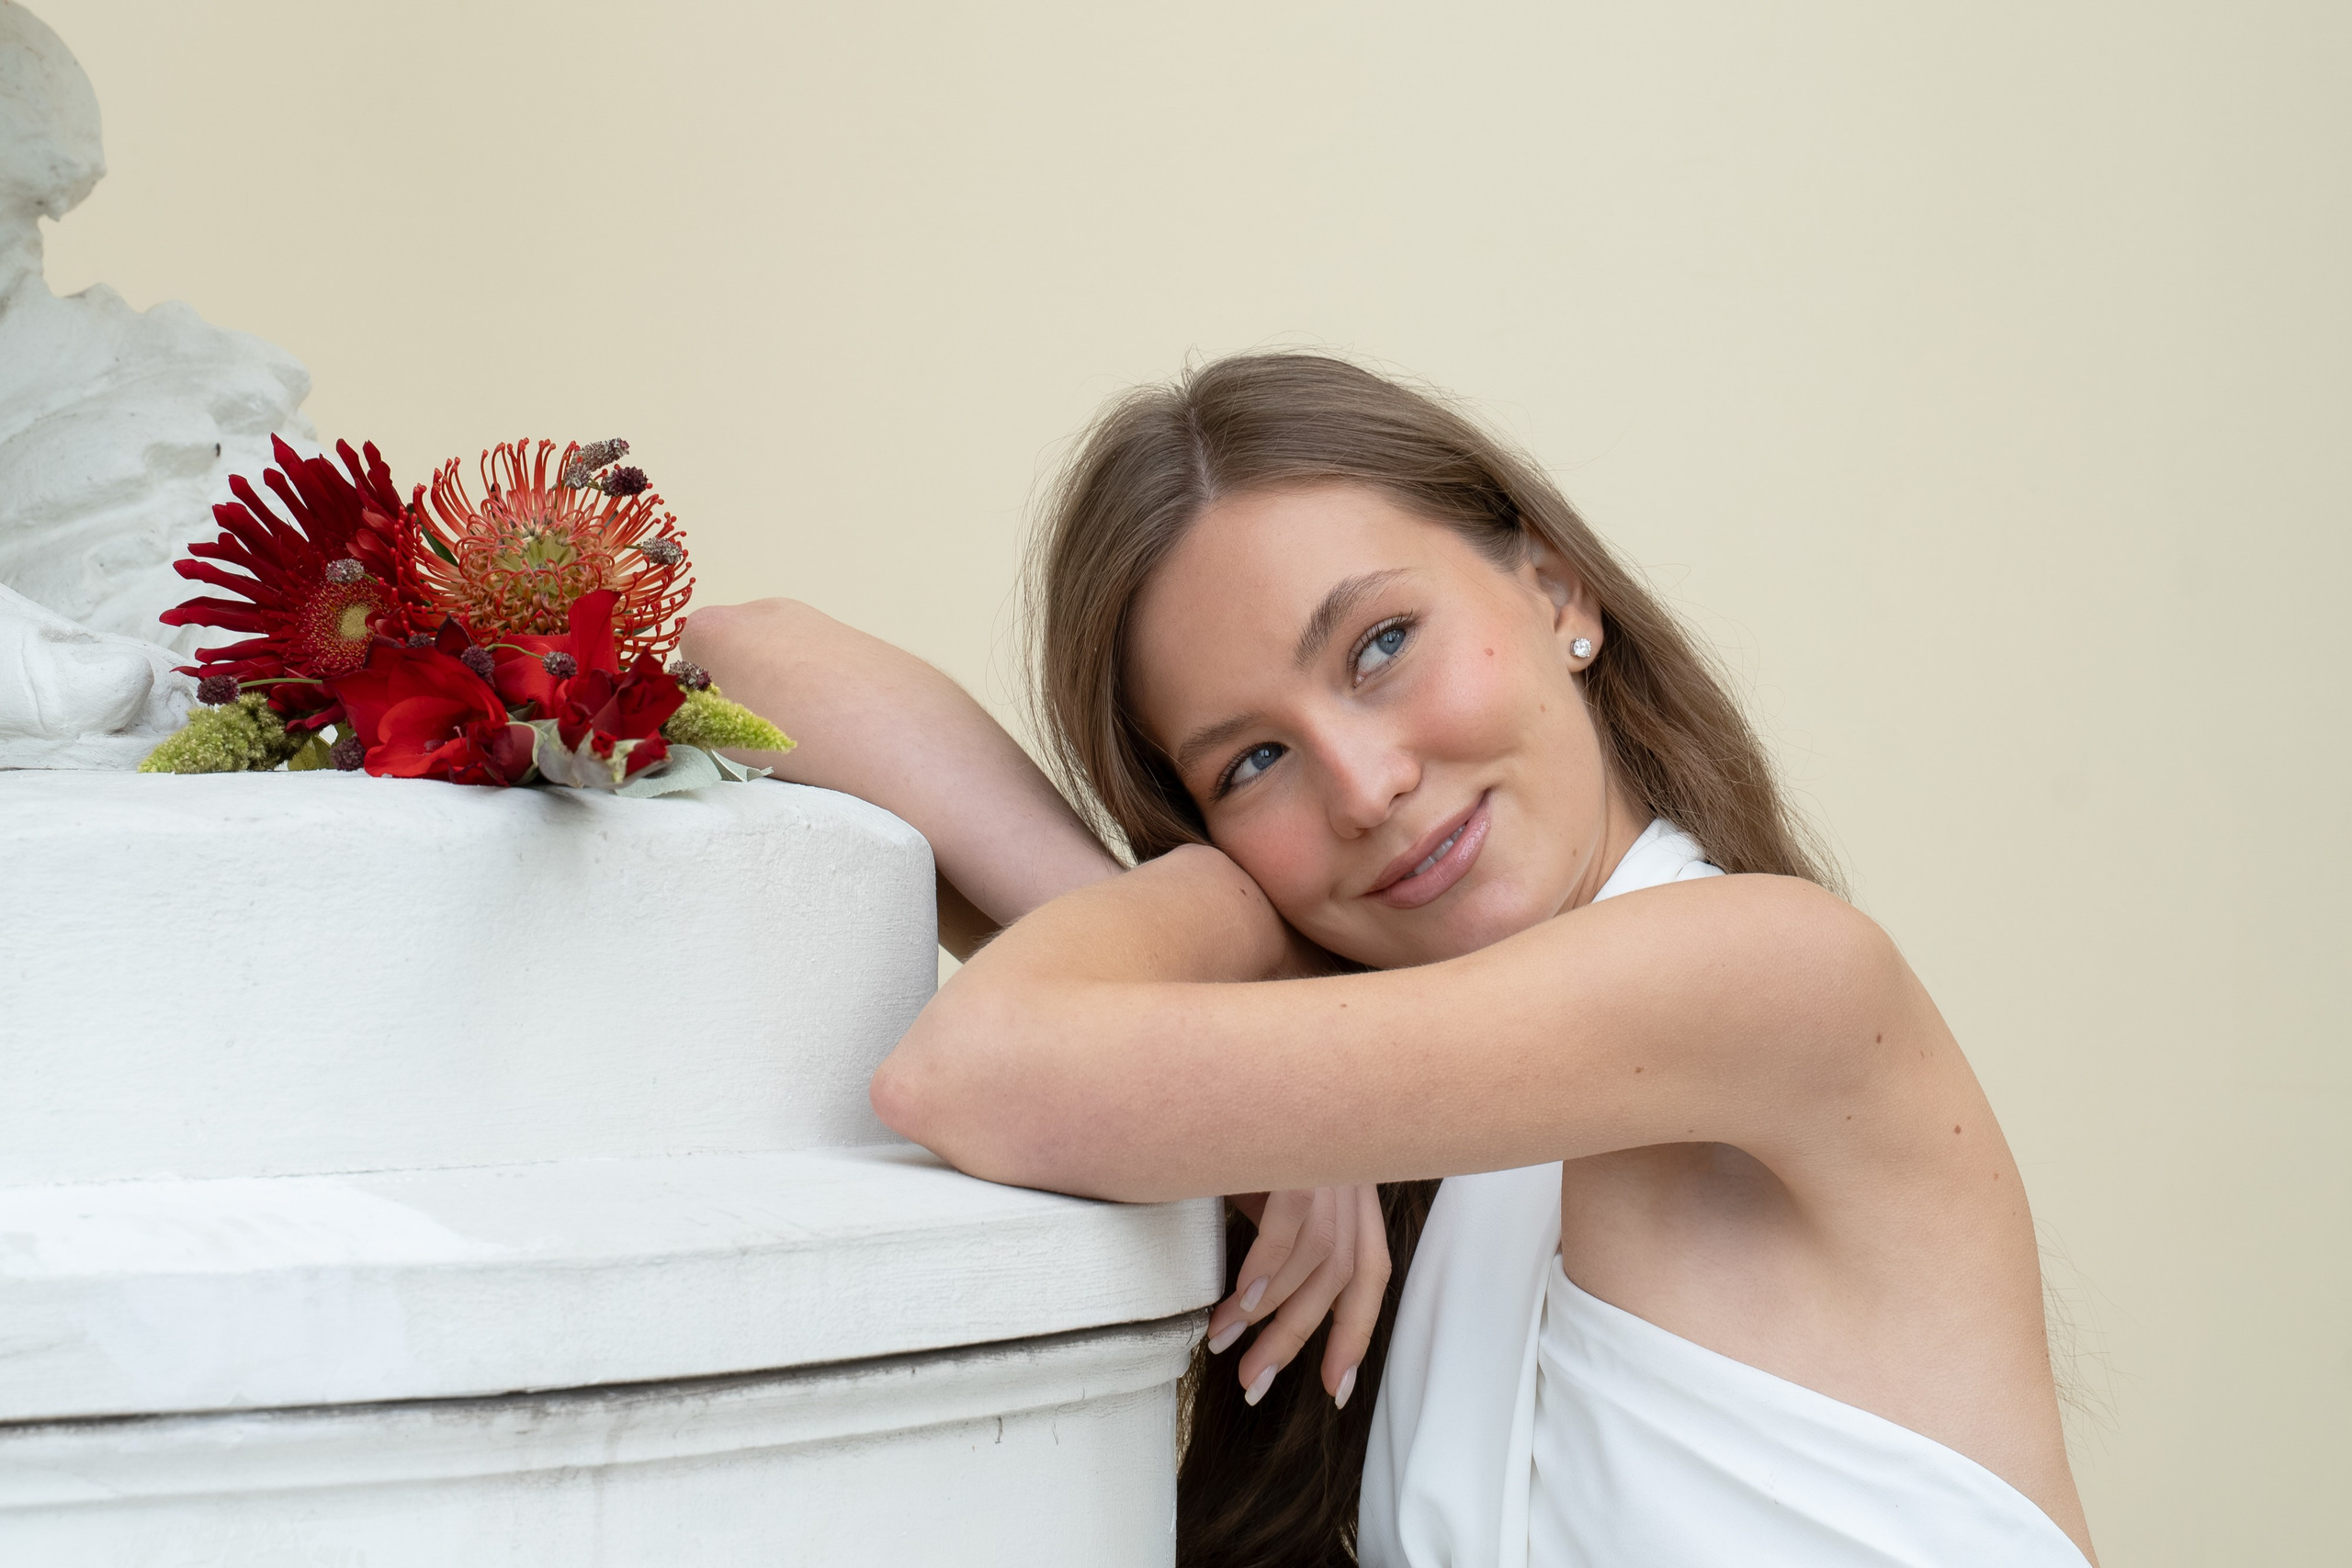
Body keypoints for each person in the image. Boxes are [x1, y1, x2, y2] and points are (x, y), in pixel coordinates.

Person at [683, 353, 2097, 1568]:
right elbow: (737, 656)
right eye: (1251, 764)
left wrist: (1214, 933)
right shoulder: (1412, 1162)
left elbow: (972, 1072)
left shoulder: (1771, 974)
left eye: (1381, 646)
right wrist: (1233, 982)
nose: (1362, 789)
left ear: (1558, 592)